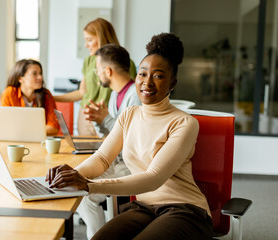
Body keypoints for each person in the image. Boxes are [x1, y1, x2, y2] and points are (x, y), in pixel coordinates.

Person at [46, 33, 213, 239]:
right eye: (143, 74)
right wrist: (74, 175)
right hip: (145, 207)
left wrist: (89, 186)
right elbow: (102, 158)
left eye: (158, 76)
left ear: (172, 83)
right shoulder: (129, 115)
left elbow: (154, 178)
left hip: (184, 209)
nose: (147, 82)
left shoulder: (183, 123)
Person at [77, 44, 141, 239]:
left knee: (85, 198)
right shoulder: (115, 95)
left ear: (108, 70)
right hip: (117, 161)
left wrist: (104, 119)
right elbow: (111, 136)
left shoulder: (135, 96)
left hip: (131, 165)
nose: (97, 74)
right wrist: (98, 120)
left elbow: (130, 137)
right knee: (80, 195)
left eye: (97, 69)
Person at [53, 18, 137, 136]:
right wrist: (53, 98)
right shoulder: (88, 61)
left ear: (102, 38)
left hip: (109, 117)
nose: (86, 45)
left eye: (89, 40)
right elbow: (82, 92)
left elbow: (126, 93)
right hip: (87, 116)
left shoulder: (124, 63)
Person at [1, 59, 59, 136]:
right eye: (34, 74)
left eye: (40, 73)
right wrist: (37, 130)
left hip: (40, 142)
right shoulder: (9, 93)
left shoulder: (46, 94)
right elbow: (5, 125)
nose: (40, 77)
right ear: (20, 78)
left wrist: (22, 131)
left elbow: (53, 128)